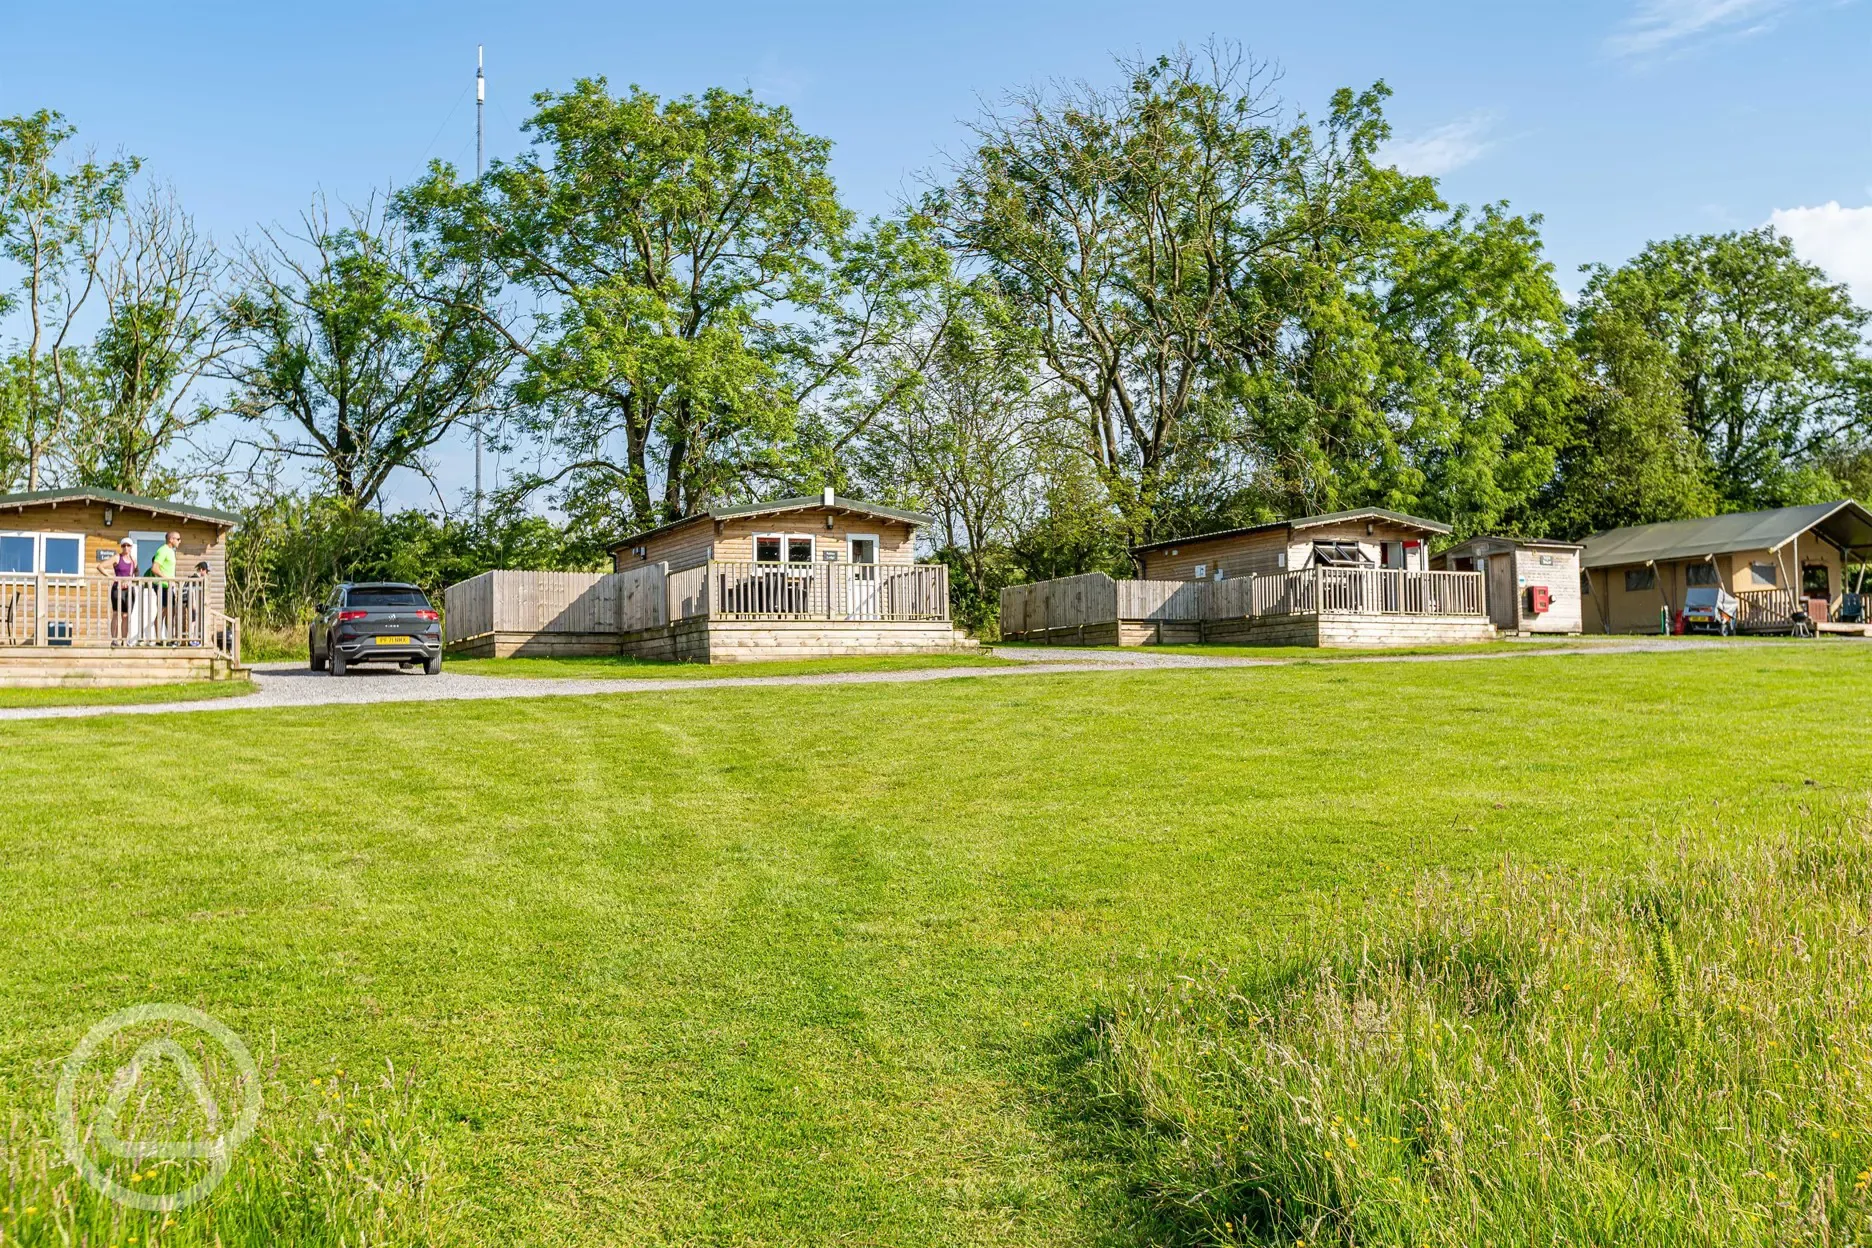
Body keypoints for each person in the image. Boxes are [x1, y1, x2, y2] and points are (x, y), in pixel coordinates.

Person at [149, 531, 179, 642]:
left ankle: (170, 638)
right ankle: (158, 639)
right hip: (162, 585)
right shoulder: (162, 550)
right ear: (171, 539)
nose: (179, 541)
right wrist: (167, 579)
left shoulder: (171, 552)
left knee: (171, 612)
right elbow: (154, 568)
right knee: (162, 611)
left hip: (170, 586)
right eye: (178, 539)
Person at [109, 537, 138, 645]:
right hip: (117, 589)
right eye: (124, 545)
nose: (126, 547)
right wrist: (114, 578)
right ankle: (114, 640)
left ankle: (124, 641)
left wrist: (131, 581)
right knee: (116, 614)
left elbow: (136, 573)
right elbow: (100, 566)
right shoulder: (117, 557)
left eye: (128, 545)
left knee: (125, 616)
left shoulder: (133, 559)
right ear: (121, 547)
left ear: (131, 547)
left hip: (129, 590)